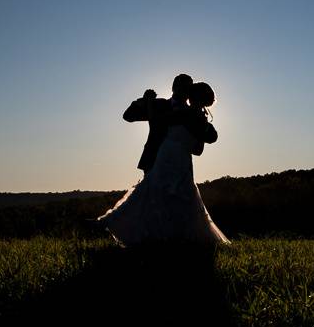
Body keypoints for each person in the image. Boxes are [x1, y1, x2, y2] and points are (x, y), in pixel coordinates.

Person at [98, 81, 230, 248]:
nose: (184, 92)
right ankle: (147, 237)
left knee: (174, 202)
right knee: (150, 199)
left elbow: (207, 139)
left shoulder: (191, 114)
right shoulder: (163, 105)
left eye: (187, 89)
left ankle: (169, 239)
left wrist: (201, 125)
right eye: (181, 88)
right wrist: (145, 101)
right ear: (174, 88)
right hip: (158, 159)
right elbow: (131, 116)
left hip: (179, 161)